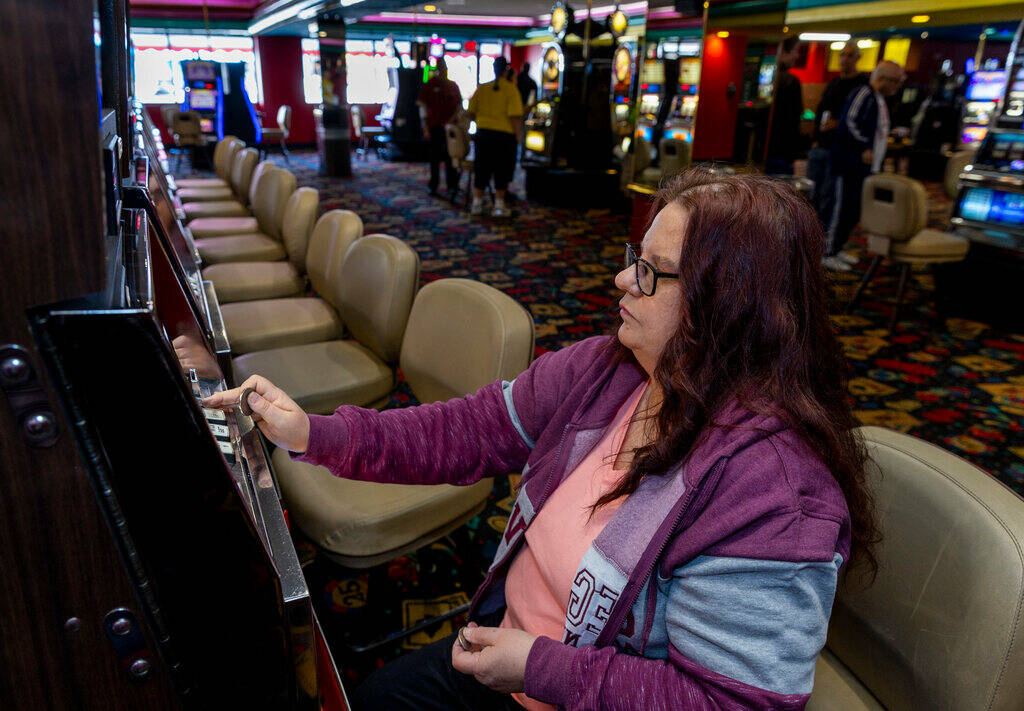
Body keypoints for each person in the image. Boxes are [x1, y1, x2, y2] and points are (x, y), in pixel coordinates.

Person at [205, 168, 878, 711]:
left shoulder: (776, 494)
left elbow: (727, 702)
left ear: (726, 303)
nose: (621, 280)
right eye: (632, 259)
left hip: (556, 678)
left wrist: (536, 664)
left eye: (650, 271)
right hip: (513, 650)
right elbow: (464, 431)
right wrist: (312, 432)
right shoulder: (612, 367)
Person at [825, 60, 904, 271]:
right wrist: (864, 146)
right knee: (839, 209)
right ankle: (826, 252)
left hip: (865, 168)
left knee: (853, 210)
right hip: (848, 164)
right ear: (883, 78)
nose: (897, 86)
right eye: (895, 81)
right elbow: (849, 121)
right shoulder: (865, 92)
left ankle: (837, 247)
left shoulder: (877, 99)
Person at [807, 41, 868, 268]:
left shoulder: (861, 85)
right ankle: (813, 247)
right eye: (842, 55)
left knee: (830, 201)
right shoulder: (834, 83)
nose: (845, 59)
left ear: (857, 58)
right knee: (813, 200)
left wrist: (838, 125)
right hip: (820, 148)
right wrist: (815, 138)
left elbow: (856, 121)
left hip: (839, 152)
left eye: (850, 55)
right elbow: (821, 113)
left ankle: (829, 248)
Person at [467, 56, 523, 217]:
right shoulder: (511, 89)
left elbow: (470, 112)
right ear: (506, 70)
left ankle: (476, 205)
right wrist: (518, 136)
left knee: (481, 168)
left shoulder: (483, 88)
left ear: (494, 69)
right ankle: (498, 206)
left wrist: (480, 121)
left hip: (483, 134)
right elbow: (515, 116)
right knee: (502, 170)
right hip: (503, 136)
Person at [418, 59, 463, 197]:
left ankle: (452, 186)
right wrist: (425, 127)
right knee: (435, 157)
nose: (443, 69)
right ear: (437, 68)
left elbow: (459, 106)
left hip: (451, 128)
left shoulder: (452, 85)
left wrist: (454, 121)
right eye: (441, 67)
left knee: (452, 157)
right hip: (435, 126)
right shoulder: (430, 85)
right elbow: (423, 108)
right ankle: (434, 185)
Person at [765, 37, 804, 176]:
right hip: (781, 154)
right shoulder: (791, 83)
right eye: (795, 50)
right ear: (783, 52)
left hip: (762, 150)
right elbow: (793, 122)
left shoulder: (768, 78)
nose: (797, 55)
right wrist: (795, 155)